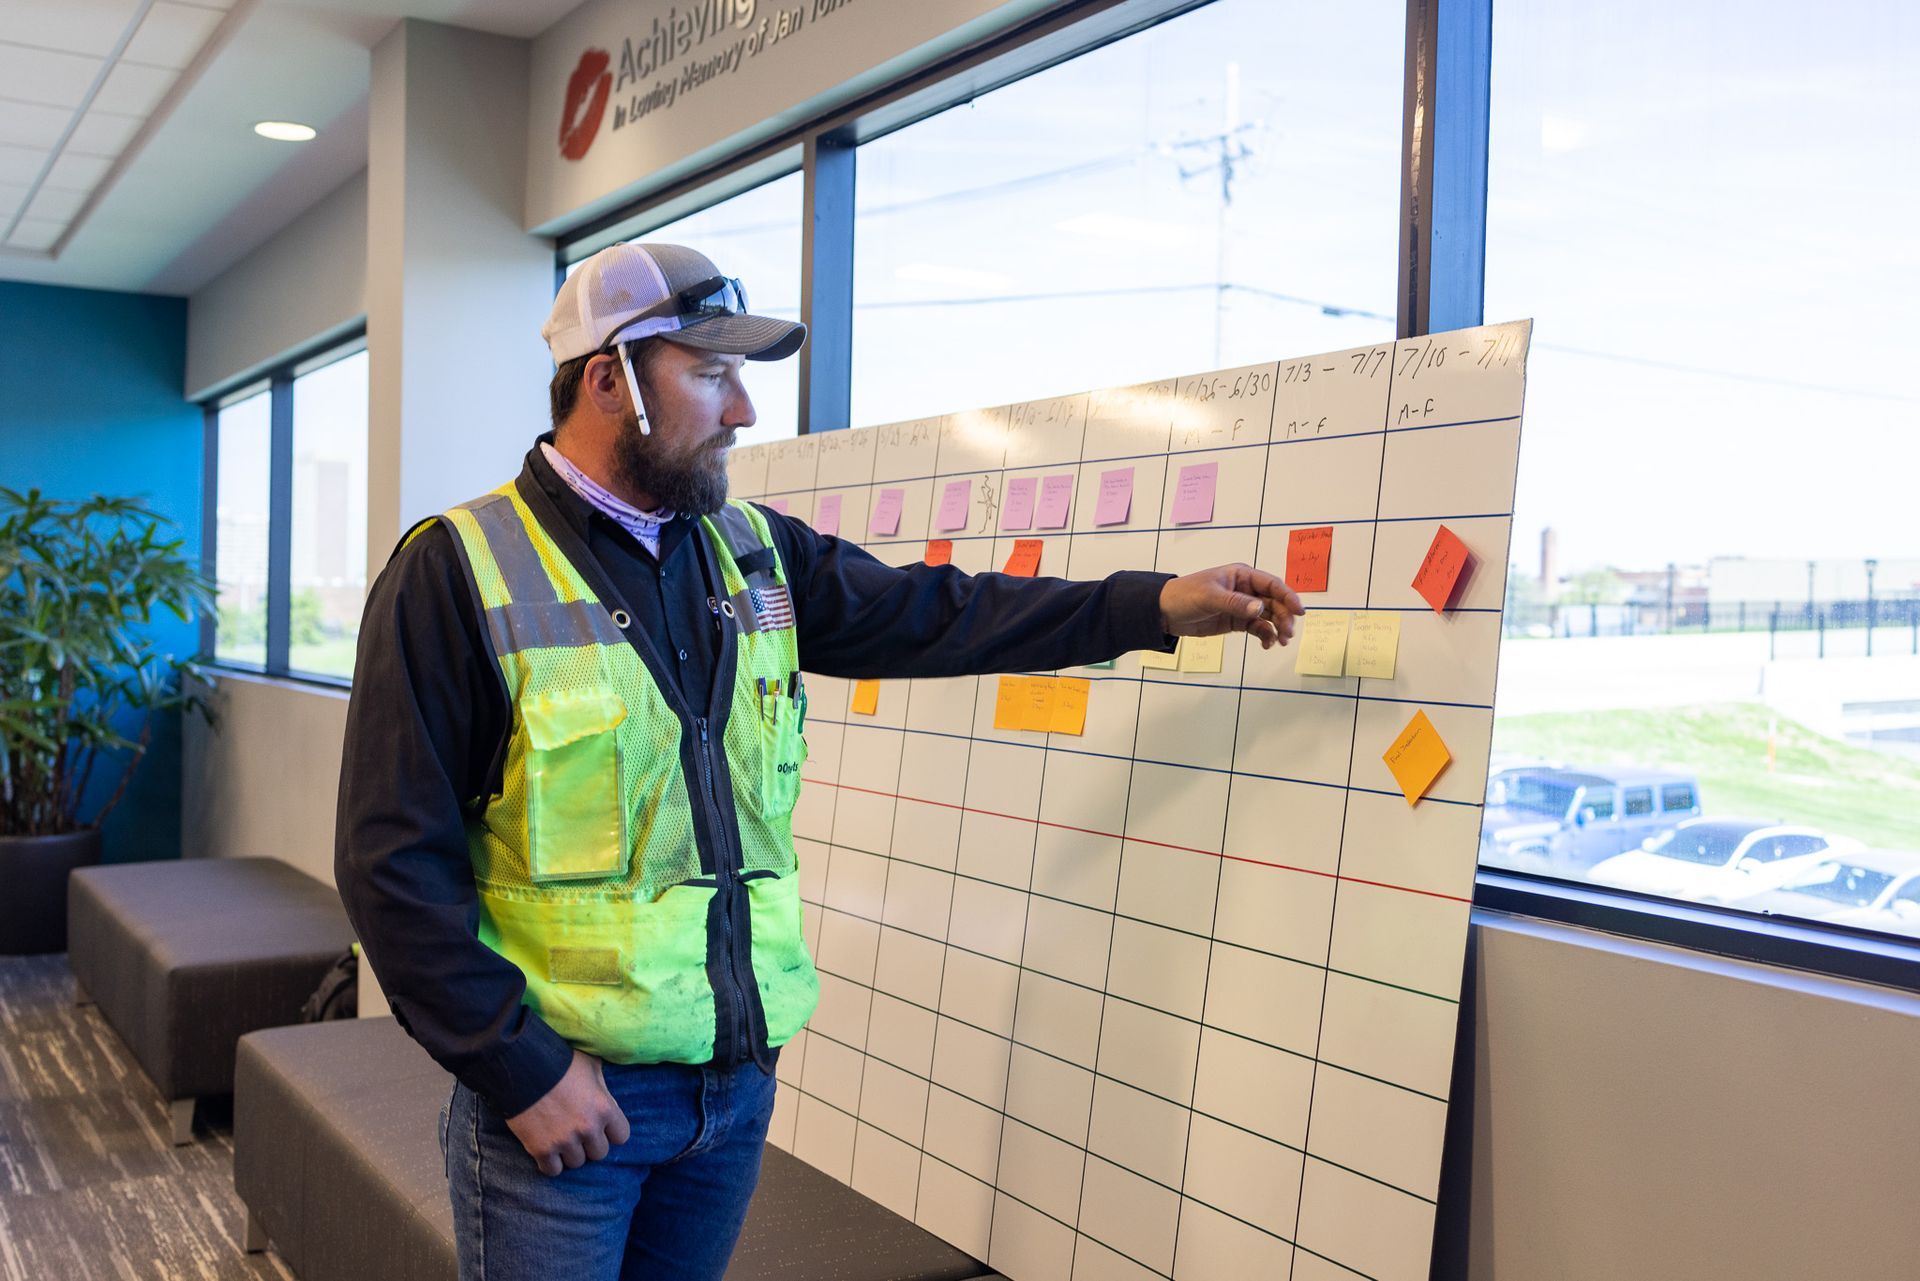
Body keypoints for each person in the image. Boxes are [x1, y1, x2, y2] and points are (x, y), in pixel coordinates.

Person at [333, 241, 1304, 1281]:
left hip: (733, 1090)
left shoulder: (753, 554)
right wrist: (518, 1069)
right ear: (610, 379)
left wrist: (1150, 604)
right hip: (573, 1103)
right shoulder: (458, 570)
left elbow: (943, 615)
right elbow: (391, 862)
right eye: (711, 374)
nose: (744, 409)